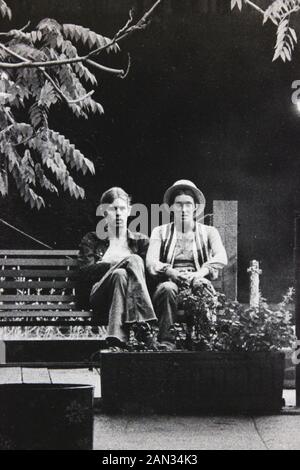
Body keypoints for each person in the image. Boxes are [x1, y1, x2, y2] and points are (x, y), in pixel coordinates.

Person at [146, 180, 228, 349]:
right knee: (166, 289)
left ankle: (204, 342)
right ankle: (166, 343)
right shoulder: (160, 232)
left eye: (188, 204)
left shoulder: (209, 232)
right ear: (171, 207)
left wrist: (200, 273)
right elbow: (150, 260)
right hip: (170, 280)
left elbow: (221, 257)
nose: (183, 209)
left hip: (196, 278)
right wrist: (170, 271)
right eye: (179, 204)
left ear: (196, 207)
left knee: (202, 287)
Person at [76, 187, 157, 350]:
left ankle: (115, 340)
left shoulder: (141, 241)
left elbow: (149, 276)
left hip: (126, 300)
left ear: (129, 211)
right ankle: (146, 323)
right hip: (99, 296)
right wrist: (117, 263)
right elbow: (84, 273)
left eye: (122, 208)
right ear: (105, 213)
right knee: (133, 260)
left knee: (121, 274)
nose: (119, 213)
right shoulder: (92, 239)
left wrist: (112, 267)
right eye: (113, 209)